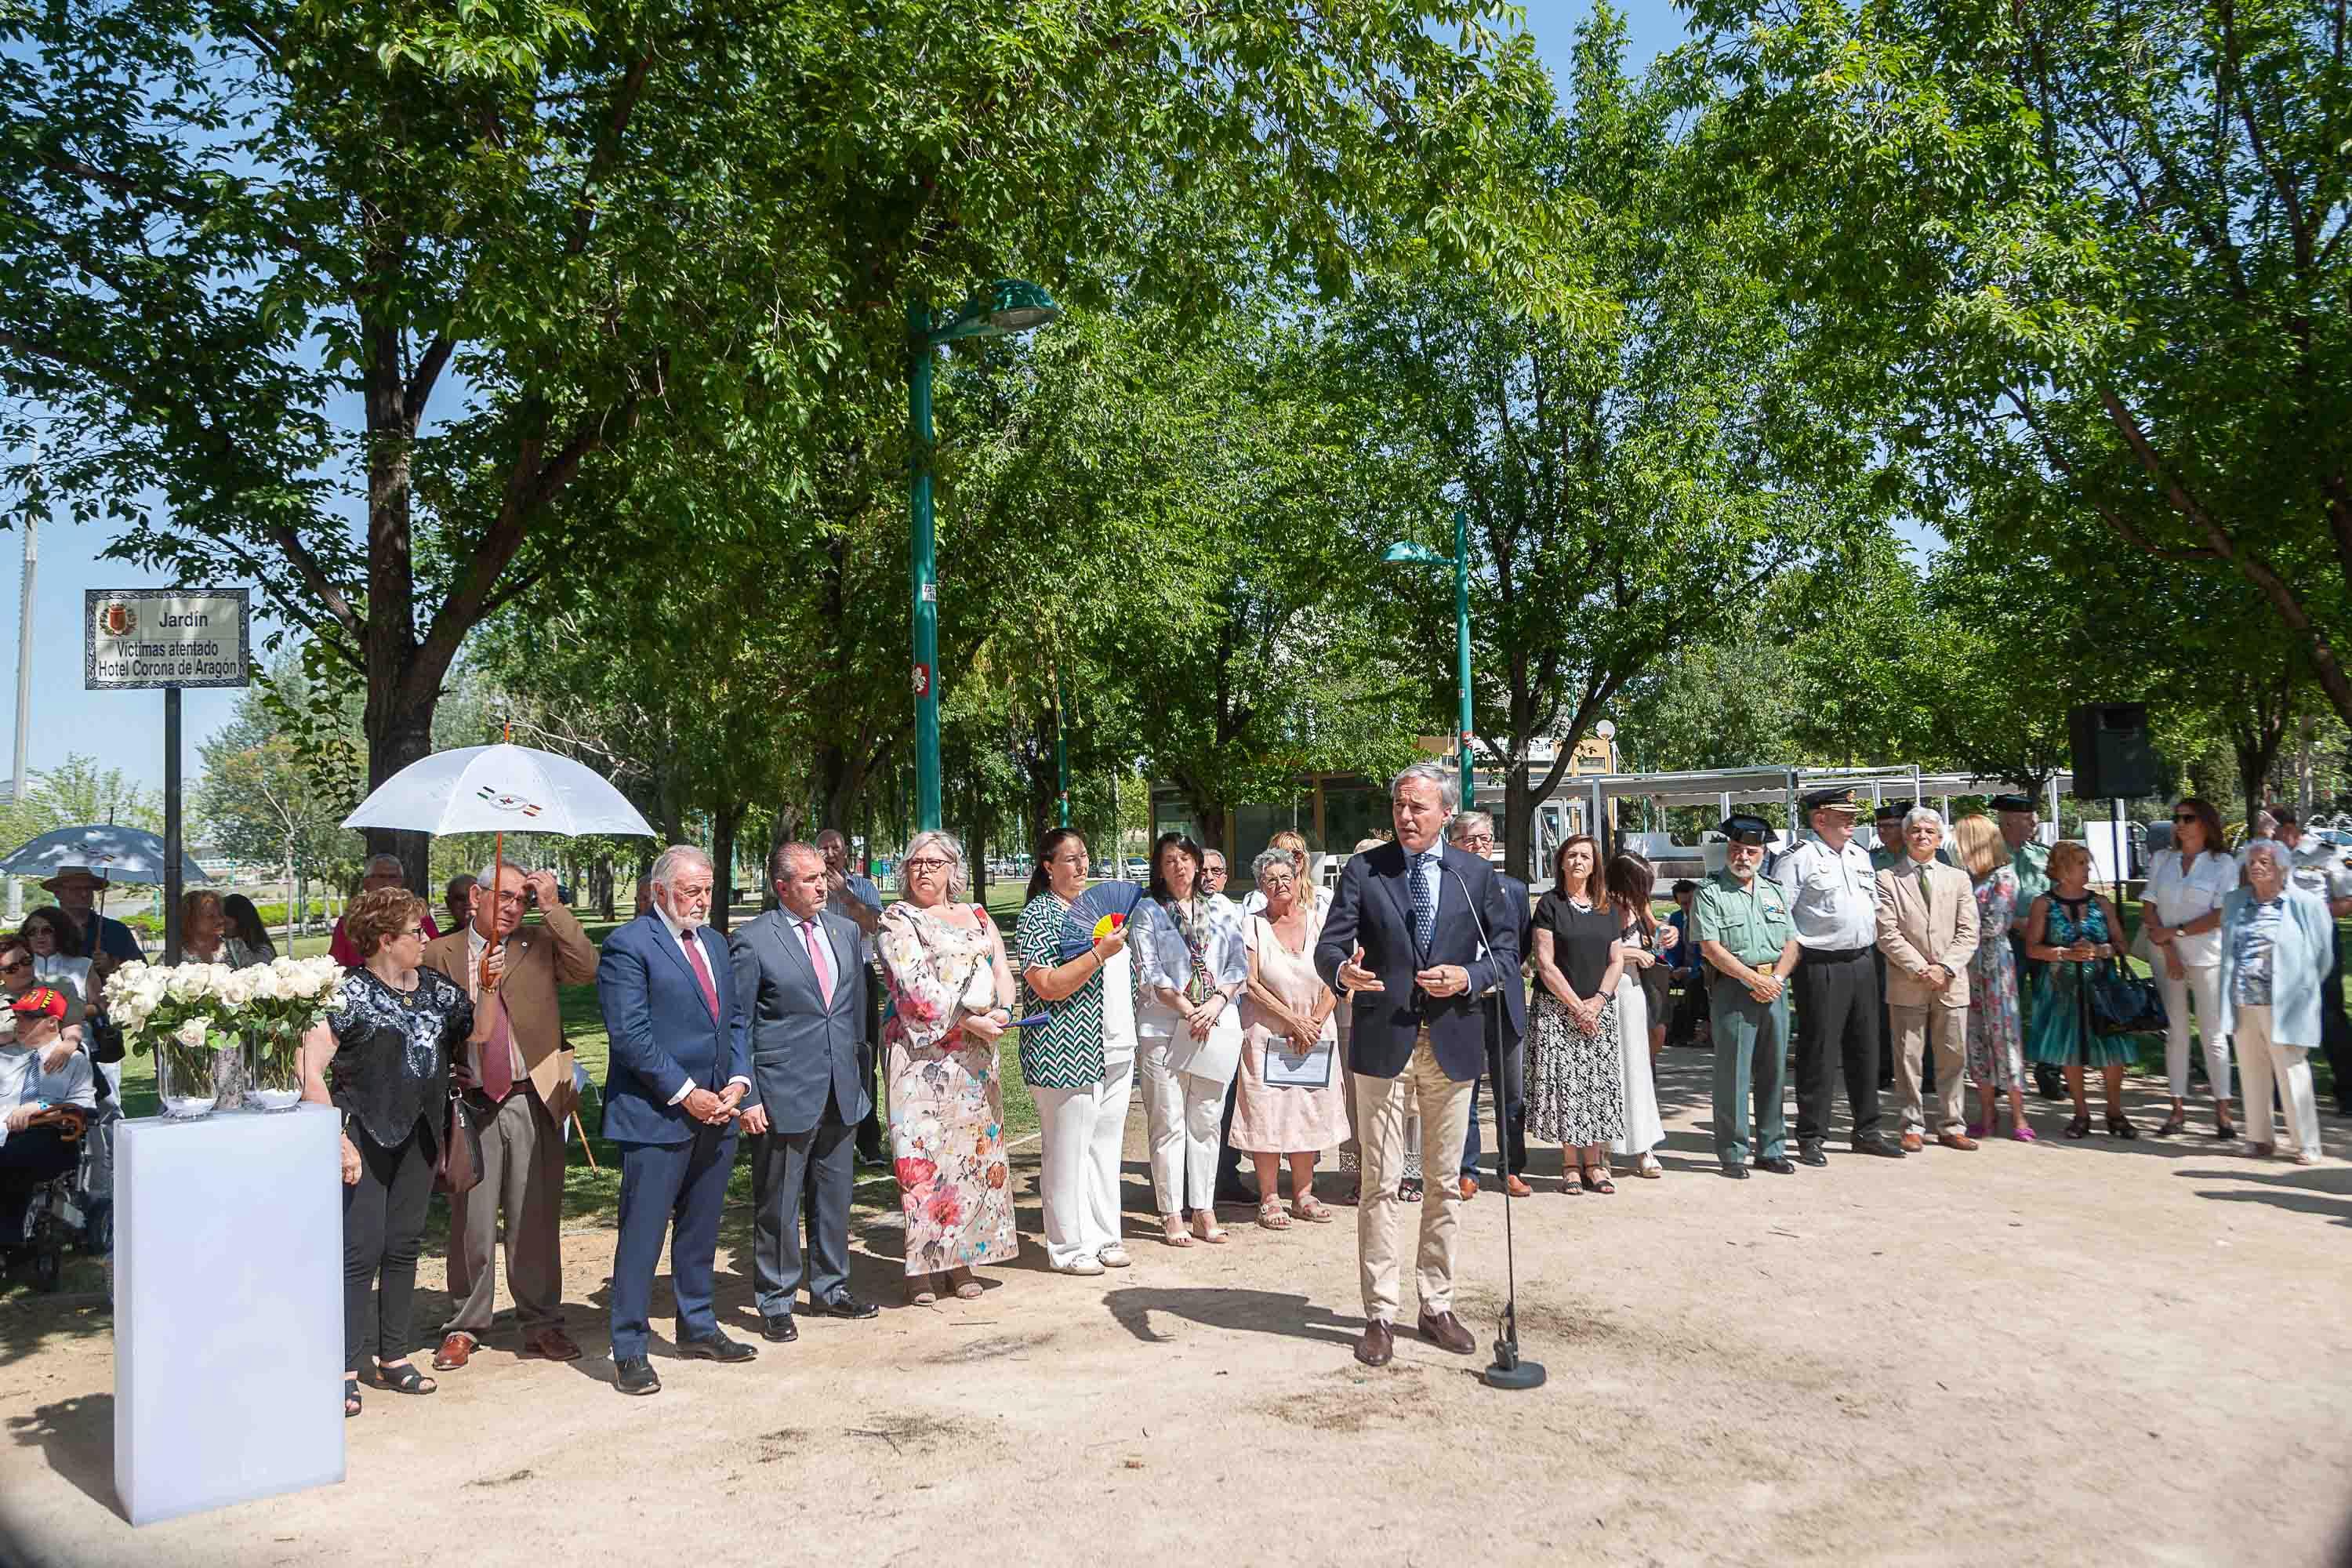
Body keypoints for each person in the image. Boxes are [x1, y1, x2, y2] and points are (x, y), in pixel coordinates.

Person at [1315, 761, 1518, 1367]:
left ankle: (1436, 1305)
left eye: (1418, 807)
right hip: (1384, 1041)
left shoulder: (1473, 874)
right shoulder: (1366, 870)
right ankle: (1379, 1312)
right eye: (1399, 805)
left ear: (1445, 813)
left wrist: (1469, 976)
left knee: (1443, 1183)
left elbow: (1506, 955)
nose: (1405, 816)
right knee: (1379, 1182)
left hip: (1453, 1041)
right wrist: (1342, 971)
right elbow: (1330, 945)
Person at [298, 886, 493, 1418]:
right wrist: (336, 1138)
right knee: (360, 1251)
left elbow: (479, 1031)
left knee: (404, 1246)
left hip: (421, 1134)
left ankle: (394, 1355)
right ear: (386, 940)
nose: (425, 939)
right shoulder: (346, 993)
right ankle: (343, 1368)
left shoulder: (436, 988)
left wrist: (488, 989)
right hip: (362, 1136)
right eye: (415, 932)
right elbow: (308, 1068)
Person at [596, 845, 757, 1396]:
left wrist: (739, 1082)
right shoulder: (628, 945)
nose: (702, 901)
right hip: (656, 1115)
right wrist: (687, 1095)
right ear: (660, 891)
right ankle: (630, 1348)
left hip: (719, 1112)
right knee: (642, 1236)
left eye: (708, 890)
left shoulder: (715, 943)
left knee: (701, 1229)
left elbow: (735, 1020)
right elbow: (630, 1035)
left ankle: (698, 1325)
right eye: (692, 891)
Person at [423, 861, 595, 1371]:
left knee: (534, 1215)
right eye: (505, 896)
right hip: (470, 1101)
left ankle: (541, 1321)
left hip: (533, 1094)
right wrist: (474, 999)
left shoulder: (538, 943)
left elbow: (587, 969)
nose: (514, 907)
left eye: (523, 899)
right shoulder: (440, 953)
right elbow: (426, 1023)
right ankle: (465, 1324)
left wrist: (554, 908)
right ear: (476, 897)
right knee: (471, 1222)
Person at [729, 843, 876, 1343]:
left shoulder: (845, 932)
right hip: (782, 1091)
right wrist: (748, 1095)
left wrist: (860, 1074)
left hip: (842, 1087)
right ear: (781, 887)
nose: (822, 885)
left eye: (824, 876)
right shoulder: (753, 941)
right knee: (779, 1201)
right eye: (810, 878)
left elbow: (854, 1012)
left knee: (834, 1197)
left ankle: (831, 1288)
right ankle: (776, 1299)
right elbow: (739, 1026)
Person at [873, 829, 1018, 1303]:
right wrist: (973, 1020)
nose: (923, 870)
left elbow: (1001, 969)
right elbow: (915, 988)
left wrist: (1004, 1011)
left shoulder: (977, 914)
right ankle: (921, 1267)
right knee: (923, 1158)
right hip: (922, 1058)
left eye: (934, 863)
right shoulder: (897, 919)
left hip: (975, 1059)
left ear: (953, 870)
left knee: (970, 1158)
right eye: (915, 863)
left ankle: (962, 1260)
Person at [1017, 829, 1141, 1275]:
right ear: (1048, 867)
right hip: (1064, 1048)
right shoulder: (1039, 915)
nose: (1081, 865)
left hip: (1116, 1044)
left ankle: (1105, 1236)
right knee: (1067, 1151)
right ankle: (1069, 1247)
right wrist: (1099, 954)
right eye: (1070, 859)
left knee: (1105, 1149)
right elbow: (1047, 985)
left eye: (1084, 856)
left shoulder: (1100, 913)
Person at [1773, 787, 1898, 1165]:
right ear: (1819, 819)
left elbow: (1872, 906)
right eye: (1844, 816)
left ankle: (1867, 1130)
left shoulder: (1859, 855)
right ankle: (1811, 1135)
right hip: (1820, 963)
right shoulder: (1798, 858)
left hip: (1863, 959)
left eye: (1852, 816)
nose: (1852, 822)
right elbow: (1781, 915)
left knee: (1866, 1047)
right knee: (1820, 1051)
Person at [1136, 831, 1246, 1245]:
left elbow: (1237, 963)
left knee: (1207, 1120)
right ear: (1159, 868)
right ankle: (1171, 1212)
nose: (1178, 866)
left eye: (1184, 858)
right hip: (1164, 1028)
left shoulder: (1222, 907)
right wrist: (1187, 1009)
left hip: (1215, 1023)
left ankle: (1204, 1208)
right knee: (1168, 1122)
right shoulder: (1148, 911)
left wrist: (1215, 1004)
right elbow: (1150, 971)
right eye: (1169, 860)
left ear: (1197, 863)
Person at [1235, 847, 1344, 1228]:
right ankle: (1269, 1197)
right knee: (1267, 1112)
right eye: (1270, 880)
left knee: (1307, 1109)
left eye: (1287, 877)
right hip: (1268, 1033)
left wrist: (1313, 1022)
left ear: (1299, 880)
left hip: (1316, 1032)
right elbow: (1250, 982)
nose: (1280, 884)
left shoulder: (1321, 921)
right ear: (1260, 887)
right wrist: (1292, 1021)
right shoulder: (1251, 926)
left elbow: (1336, 976)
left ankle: (1303, 1194)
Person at [1694, 815, 1800, 1178]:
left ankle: (1772, 1148)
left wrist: (1778, 978)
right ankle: (1733, 1153)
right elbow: (1711, 948)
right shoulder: (1710, 892)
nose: (1743, 857)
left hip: (1775, 988)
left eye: (1751, 851)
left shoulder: (1774, 891)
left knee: (1774, 1071)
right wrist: (1752, 979)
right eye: (1736, 849)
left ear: (1763, 854)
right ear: (1728, 850)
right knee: (1733, 1074)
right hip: (1734, 989)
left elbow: (1792, 942)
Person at [1877, 807, 1980, 1152]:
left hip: (1951, 982)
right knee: (1908, 1058)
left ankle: (1952, 1125)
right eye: (1915, 830)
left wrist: (1945, 968)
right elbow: (1887, 932)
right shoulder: (1886, 878)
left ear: (1939, 838)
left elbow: (1969, 932)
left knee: (1953, 1057)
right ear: (1905, 836)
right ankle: (1912, 1125)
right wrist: (1921, 968)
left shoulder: (1958, 879)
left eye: (1929, 831)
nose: (1922, 836)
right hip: (1908, 981)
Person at [2220, 841, 2329, 1163]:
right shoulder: (2235, 901)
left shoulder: (2305, 904)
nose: (2256, 867)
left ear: (2281, 867)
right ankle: (2259, 1138)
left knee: (2292, 1070)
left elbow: (2323, 955)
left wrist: (2302, 990)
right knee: (2251, 1070)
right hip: (2243, 998)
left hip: (2285, 1001)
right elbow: (2229, 950)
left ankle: (2306, 1144)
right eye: (2252, 862)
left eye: (2264, 862)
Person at [2023, 842, 2135, 1139]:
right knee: (2069, 1050)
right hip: (2063, 990)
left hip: (2102, 988)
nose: (2088, 868)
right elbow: (2032, 949)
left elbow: (2122, 944)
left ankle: (2115, 1111)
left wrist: (2100, 950)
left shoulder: (2102, 903)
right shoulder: (2043, 904)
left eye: (2087, 862)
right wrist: (2064, 954)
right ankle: (2081, 1113)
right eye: (2081, 863)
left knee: (2112, 1051)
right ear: (2062, 869)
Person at [2142, 797, 2238, 1139]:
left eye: (2188, 818)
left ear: (2206, 823)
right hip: (2166, 955)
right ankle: (2177, 1109)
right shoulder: (2163, 859)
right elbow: (2149, 907)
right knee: (2176, 1033)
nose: (2180, 824)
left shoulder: (2223, 863)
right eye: (2177, 818)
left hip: (2207, 956)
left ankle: (2223, 1112)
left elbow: (2220, 914)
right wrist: (2169, 949)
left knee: (2213, 1034)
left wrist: (2178, 932)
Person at [1452, 812, 1531, 1197]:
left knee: (1511, 1092)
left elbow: (1522, 943)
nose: (1478, 845)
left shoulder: (1514, 890)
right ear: (1453, 844)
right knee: (1464, 1091)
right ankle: (1467, 1170)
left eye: (1484, 838)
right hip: (1463, 1003)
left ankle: (1511, 1167)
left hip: (1505, 1001)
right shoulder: (1448, 887)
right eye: (1469, 839)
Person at [1954, 815, 2032, 1141]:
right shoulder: (1964, 877)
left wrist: (1957, 933)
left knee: (2004, 1036)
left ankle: (2019, 1114)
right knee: (1975, 1038)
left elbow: (1995, 924)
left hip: (1995, 963)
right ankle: (1987, 1112)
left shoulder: (2004, 875)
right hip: (1966, 965)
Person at [2270, 810, 2352, 1116]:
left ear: (2290, 828)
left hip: (2319, 941)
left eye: (2273, 830)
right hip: (2279, 943)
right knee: (2280, 1014)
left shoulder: (2328, 853)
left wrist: (2309, 912)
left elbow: (2347, 901)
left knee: (2329, 1016)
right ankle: (2282, 1092)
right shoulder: (2266, 856)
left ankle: (2348, 1092)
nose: (2269, 836)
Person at [0, 988, 95, 1247]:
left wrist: (39, 1108)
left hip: (50, 1138)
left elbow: (84, 1107)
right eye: (18, 1016)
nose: (19, 1022)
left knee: (12, 1158)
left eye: (28, 1017)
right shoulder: (5, 1057)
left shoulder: (74, 1061)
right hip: (6, 1136)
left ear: (52, 1022)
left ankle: (9, 1240)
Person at [815, 829, 888, 1165]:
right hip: (819, 978)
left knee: (863, 1055)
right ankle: (826, 1134)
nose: (830, 854)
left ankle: (868, 1139)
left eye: (836, 848)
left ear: (846, 852)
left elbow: (875, 926)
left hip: (859, 974)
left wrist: (845, 897)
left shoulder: (863, 887)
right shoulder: (810, 888)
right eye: (823, 848)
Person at [1604, 850, 1670, 1180]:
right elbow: (1596, 949)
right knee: (1609, 1070)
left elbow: (1656, 939)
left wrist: (1666, 934)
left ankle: (1644, 1145)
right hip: (1608, 993)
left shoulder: (1639, 906)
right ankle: (1603, 1147)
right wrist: (1632, 953)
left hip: (1634, 994)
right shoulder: (1603, 907)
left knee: (1639, 1069)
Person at [1990, 795, 2058, 1098]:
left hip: (2044, 940)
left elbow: (2057, 891)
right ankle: (2002, 1074)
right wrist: (2016, 922)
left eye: (2034, 819)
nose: (2035, 824)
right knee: (2003, 1007)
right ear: (2007, 822)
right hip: (2007, 941)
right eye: (2028, 820)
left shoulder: (2043, 855)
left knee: (2049, 1005)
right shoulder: (1988, 855)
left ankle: (2049, 1072)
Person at [330, 855, 440, 967]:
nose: (387, 882)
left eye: (393, 877)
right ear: (366, 882)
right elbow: (336, 964)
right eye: (381, 876)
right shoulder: (349, 922)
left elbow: (436, 954)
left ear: (401, 882)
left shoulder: (420, 917)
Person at [39, 866, 143, 964]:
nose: (84, 894)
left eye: (88, 888)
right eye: (76, 889)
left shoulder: (116, 930)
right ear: (57, 893)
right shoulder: (41, 930)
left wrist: (111, 964)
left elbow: (140, 968)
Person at [1663, 879, 1710, 1047]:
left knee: (1693, 985)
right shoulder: (1676, 918)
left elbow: (1708, 953)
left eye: (1691, 902)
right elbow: (1672, 950)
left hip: (1702, 969)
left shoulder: (1706, 918)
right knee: (1669, 986)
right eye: (1684, 903)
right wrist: (1671, 968)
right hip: (1681, 968)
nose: (1689, 907)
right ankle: (1670, 1030)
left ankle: (1688, 1032)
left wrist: (1690, 969)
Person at [180, 888, 265, 969]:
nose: (220, 920)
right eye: (211, 916)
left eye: (221, 914)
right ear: (191, 920)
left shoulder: (235, 946)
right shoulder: (177, 954)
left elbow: (251, 975)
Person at [220, 893, 277, 961]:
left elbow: (246, 965)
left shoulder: (264, 952)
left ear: (242, 922)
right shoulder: (223, 950)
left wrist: (232, 941)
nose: (221, 930)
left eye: (226, 923)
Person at [442, 874, 476, 942]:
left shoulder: (496, 938)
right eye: (460, 898)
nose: (468, 902)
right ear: (448, 903)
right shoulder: (439, 943)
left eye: (474, 896)